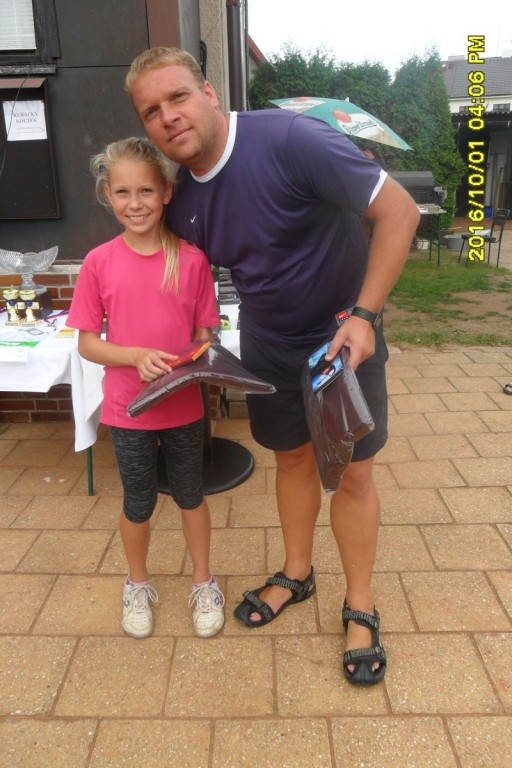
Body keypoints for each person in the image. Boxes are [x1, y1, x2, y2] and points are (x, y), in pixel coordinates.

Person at [125, 48, 420, 685]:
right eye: (151, 111)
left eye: (177, 96)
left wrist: (365, 316)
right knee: (290, 460)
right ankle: (297, 573)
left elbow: (400, 212)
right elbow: (169, 273)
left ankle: (361, 603)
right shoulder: (183, 201)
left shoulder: (291, 140)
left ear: (209, 92)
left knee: (353, 476)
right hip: (267, 343)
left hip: (342, 339)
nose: (168, 116)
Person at [67, 136, 225, 640]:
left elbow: (205, 335)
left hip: (183, 406)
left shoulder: (192, 260)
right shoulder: (98, 262)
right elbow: (88, 344)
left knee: (190, 494)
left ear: (166, 193)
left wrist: (198, 358)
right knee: (138, 500)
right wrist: (135, 356)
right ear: (107, 195)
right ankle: (137, 584)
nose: (135, 204)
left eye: (146, 191)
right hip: (127, 408)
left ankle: (203, 582)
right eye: (123, 192)